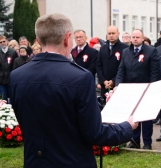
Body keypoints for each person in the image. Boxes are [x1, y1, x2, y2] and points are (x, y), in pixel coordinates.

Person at [9, 13, 138, 167]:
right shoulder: (80, 78)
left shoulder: (17, 76)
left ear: (37, 39)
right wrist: (127, 126)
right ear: (67, 38)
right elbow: (95, 133)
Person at [115, 29, 160, 150]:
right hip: (130, 90)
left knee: (145, 117)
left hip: (145, 88)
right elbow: (121, 70)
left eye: (137, 37)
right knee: (132, 117)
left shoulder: (151, 51)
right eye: (133, 37)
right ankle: (135, 141)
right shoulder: (125, 51)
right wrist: (118, 85)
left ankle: (147, 143)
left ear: (142, 38)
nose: (135, 39)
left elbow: (154, 71)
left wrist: (152, 87)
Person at [96, 26, 128, 99]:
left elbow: (125, 67)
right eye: (109, 33)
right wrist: (103, 81)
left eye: (113, 33)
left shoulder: (125, 48)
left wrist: (113, 81)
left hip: (118, 85)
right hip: (105, 86)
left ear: (118, 33)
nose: (111, 35)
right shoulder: (103, 48)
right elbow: (98, 66)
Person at [0, 35, 18, 101]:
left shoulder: (12, 52)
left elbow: (15, 64)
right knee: (3, 97)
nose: (2, 43)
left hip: (11, 78)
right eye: (0, 42)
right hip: (1, 80)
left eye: (4, 41)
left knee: (12, 97)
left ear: (7, 41)